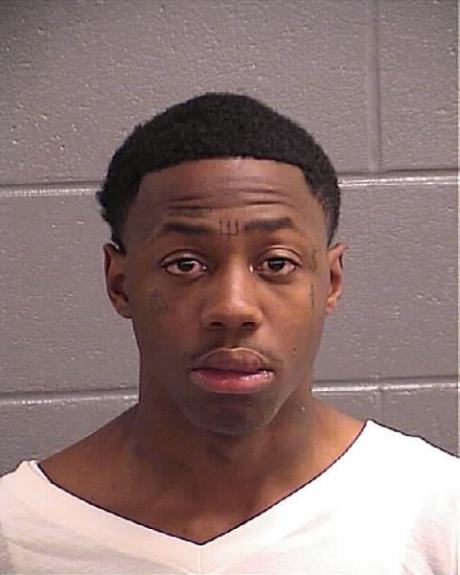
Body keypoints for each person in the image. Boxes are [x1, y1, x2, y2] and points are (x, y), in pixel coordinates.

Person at [0, 93, 457, 574]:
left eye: (276, 263)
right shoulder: (18, 535)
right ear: (120, 283)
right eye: (185, 264)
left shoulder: (436, 517)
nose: (233, 307)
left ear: (331, 280)